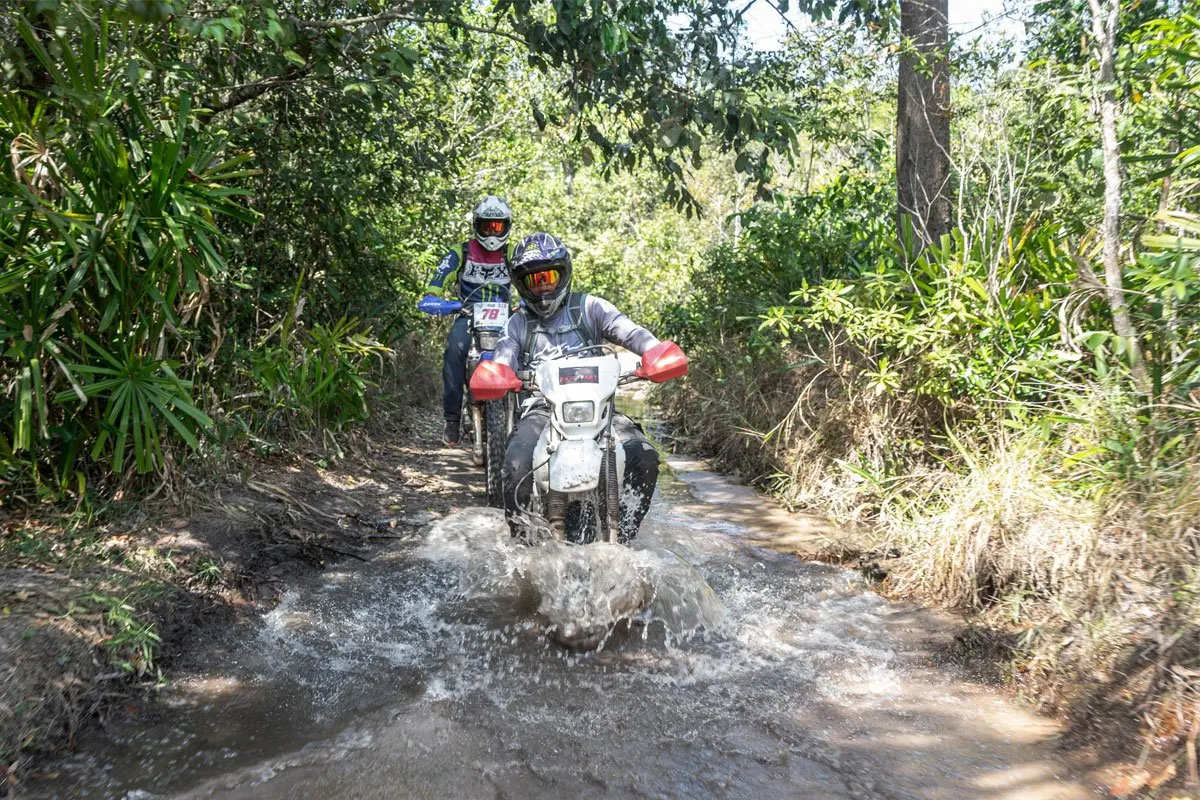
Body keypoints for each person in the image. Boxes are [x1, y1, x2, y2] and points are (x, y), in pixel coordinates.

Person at [473, 232, 670, 543]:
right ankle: (523, 548)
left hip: (602, 409)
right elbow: (504, 357)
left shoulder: (589, 307)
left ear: (563, 273)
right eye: (533, 280)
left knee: (643, 455)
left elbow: (630, 332)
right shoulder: (517, 323)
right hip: (542, 410)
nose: (542, 287)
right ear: (522, 285)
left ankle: (627, 535)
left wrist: (656, 352)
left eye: (549, 277)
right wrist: (497, 374)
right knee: (515, 464)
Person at [418, 196, 514, 446]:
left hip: (507, 317)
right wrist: (433, 297)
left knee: (526, 354)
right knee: (453, 351)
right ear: (477, 225)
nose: (493, 232)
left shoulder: (512, 254)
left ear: (507, 226)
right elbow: (437, 281)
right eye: (487, 226)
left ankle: (530, 415)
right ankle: (452, 420)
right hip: (468, 315)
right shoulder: (460, 252)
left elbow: (528, 278)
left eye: (498, 226)